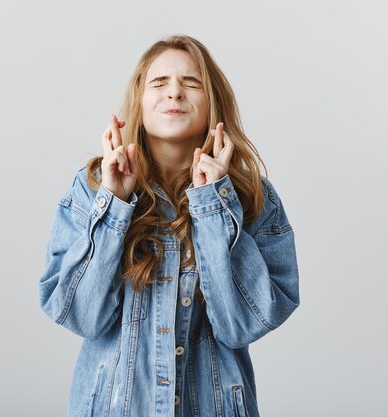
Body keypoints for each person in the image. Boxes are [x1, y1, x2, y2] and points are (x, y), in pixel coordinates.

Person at [38, 34, 300, 417]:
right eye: (159, 84)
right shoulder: (93, 187)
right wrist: (113, 204)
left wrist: (213, 204)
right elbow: (79, 314)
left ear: (213, 103)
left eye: (191, 83)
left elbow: (245, 323)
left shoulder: (249, 196)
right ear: (139, 103)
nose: (174, 94)